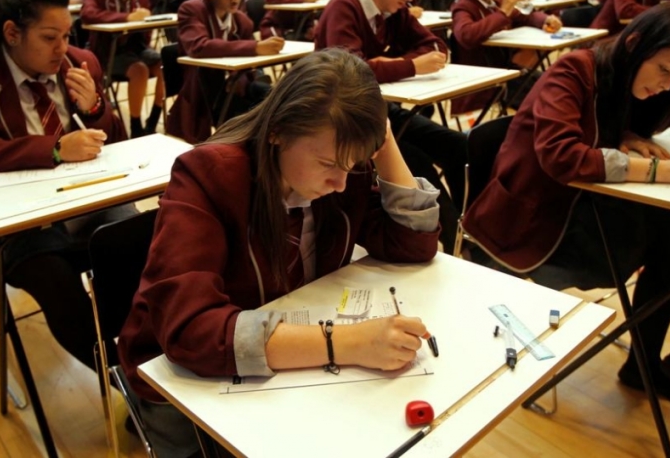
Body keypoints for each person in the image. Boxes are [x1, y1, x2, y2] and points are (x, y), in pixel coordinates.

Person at [119, 49, 440, 457]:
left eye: (354, 163)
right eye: (328, 163)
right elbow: (190, 330)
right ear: (277, 132)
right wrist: (345, 342)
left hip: (288, 365)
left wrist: (382, 139)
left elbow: (412, 243)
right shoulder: (207, 176)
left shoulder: (341, 167)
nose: (341, 183)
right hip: (191, 384)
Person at [463, 3, 670, 436]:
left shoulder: (617, 79)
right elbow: (561, 156)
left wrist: (628, 136)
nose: (666, 85)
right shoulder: (571, 71)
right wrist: (659, 170)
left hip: (572, 209)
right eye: (664, 69)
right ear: (635, 44)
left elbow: (593, 128)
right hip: (531, 228)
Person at [0, 0, 127, 371]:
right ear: (12, 33)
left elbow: (119, 143)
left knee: (140, 240)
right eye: (49, 37)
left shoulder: (80, 63)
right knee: (55, 278)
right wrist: (54, 149)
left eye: (67, 35)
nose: (62, 48)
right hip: (22, 218)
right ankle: (126, 382)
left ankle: (146, 355)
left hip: (89, 198)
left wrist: (95, 110)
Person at [314, 0, 466, 251]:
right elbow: (351, 71)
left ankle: (471, 228)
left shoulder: (392, 11)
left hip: (384, 109)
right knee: (419, 165)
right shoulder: (344, 6)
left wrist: (388, 63)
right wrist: (410, 65)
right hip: (348, 118)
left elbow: (436, 46)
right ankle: (452, 246)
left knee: (458, 145)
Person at [168, 0, 283, 143]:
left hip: (237, 86)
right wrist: (254, 47)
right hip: (203, 91)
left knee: (276, 98)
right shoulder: (191, 10)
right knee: (254, 118)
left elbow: (249, 66)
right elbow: (198, 46)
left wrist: (240, 76)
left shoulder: (242, 21)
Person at [451, 0, 562, 113]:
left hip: (507, 72)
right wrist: (502, 14)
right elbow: (467, 36)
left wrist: (545, 20)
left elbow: (526, 16)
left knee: (554, 84)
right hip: (483, 80)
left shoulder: (495, 3)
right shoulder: (464, 6)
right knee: (547, 97)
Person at [81, 0, 165, 138]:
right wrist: (126, 17)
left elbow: (146, 32)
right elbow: (87, 14)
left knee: (164, 65)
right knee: (139, 70)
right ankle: (136, 126)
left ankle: (153, 119)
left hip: (135, 47)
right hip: (107, 51)